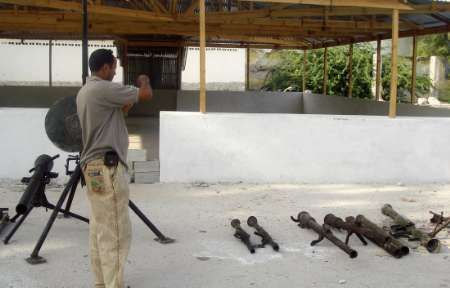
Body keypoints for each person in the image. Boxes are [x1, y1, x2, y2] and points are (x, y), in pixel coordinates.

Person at [76, 49, 152, 288]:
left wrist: (126, 103)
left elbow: (117, 112)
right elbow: (146, 93)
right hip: (108, 169)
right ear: (105, 68)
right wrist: (143, 79)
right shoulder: (103, 88)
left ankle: (101, 282)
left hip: (92, 169)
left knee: (100, 229)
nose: (116, 71)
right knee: (117, 232)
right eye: (114, 67)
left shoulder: (86, 91)